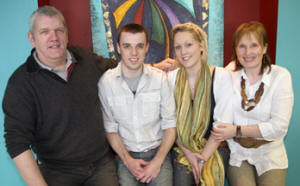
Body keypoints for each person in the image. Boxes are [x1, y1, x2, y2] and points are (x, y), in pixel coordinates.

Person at [2, 6, 175, 186]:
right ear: (32, 38)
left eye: (59, 30)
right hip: (58, 170)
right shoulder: (21, 83)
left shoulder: (84, 58)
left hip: (100, 165)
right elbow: (16, 142)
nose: (54, 37)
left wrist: (154, 67)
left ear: (67, 35)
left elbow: (120, 66)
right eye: (45, 32)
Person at [212, 21, 294, 186]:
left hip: (271, 153)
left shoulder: (281, 76)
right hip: (238, 153)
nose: (247, 52)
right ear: (235, 49)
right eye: (241, 46)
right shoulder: (230, 74)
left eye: (254, 45)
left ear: (264, 48)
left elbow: (279, 127)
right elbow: (203, 72)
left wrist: (236, 130)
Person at [98, 23, 176, 186]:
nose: (134, 53)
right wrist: (128, 161)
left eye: (139, 46)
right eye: (127, 46)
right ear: (118, 48)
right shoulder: (106, 82)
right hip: (126, 156)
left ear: (147, 47)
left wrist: (157, 161)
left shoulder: (160, 79)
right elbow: (110, 129)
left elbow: (170, 125)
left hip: (158, 154)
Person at [167, 22, 233, 186]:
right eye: (178, 47)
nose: (183, 52)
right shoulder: (171, 78)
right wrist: (190, 155)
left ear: (201, 45)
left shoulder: (221, 76)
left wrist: (202, 160)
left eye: (189, 44)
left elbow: (221, 126)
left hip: (215, 147)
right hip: (183, 148)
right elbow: (170, 123)